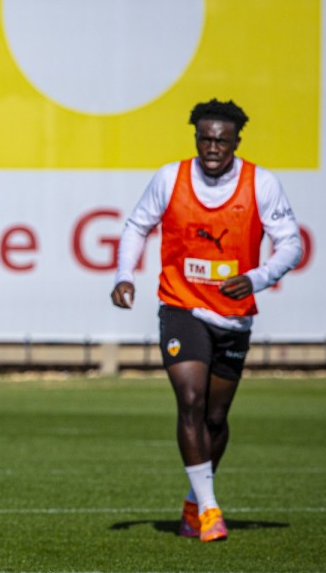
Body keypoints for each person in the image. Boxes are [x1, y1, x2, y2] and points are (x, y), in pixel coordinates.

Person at [110, 99, 303, 542]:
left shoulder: (261, 183)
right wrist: (124, 275)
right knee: (191, 400)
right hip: (181, 305)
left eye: (222, 140)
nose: (213, 147)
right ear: (196, 138)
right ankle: (212, 511)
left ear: (236, 140)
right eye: (205, 139)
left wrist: (256, 278)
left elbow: (290, 244)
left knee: (215, 418)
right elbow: (136, 226)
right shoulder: (170, 178)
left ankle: (193, 503)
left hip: (233, 316)